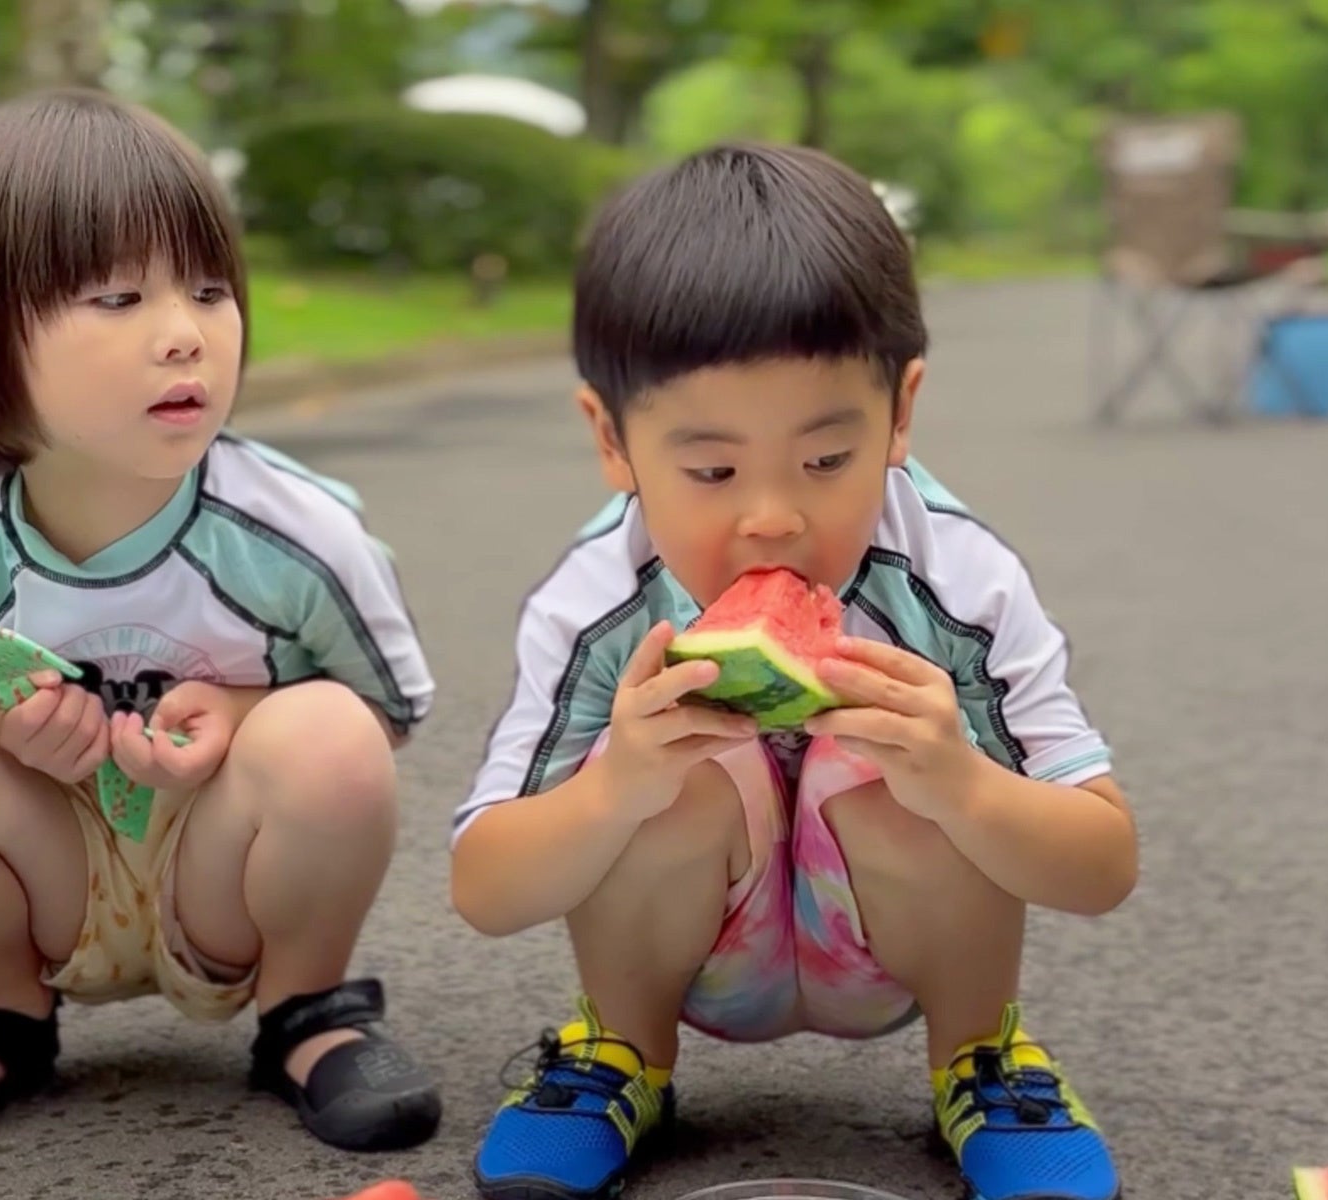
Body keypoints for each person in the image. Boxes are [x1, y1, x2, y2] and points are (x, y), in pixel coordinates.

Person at [450, 143, 1139, 1200]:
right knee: (660, 770)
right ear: (611, 438)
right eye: (712, 470)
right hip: (692, 957)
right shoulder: (595, 601)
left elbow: (1103, 866)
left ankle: (982, 1060)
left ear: (901, 414)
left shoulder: (962, 582)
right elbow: (485, 889)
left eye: (826, 461)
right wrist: (613, 787)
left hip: (897, 949)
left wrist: (959, 781)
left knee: (901, 766)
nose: (772, 516)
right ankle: (619, 1055)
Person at [0, 88, 440, 1162]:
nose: (183, 335)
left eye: (208, 290)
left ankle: (307, 1011)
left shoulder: (295, 533)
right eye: (117, 297)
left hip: (227, 875)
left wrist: (250, 711)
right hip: (47, 877)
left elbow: (389, 707)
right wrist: (2, 734)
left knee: (329, 731)